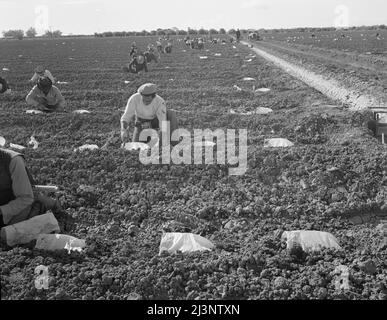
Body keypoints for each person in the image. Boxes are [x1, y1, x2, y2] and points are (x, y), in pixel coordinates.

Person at [0, 147, 62, 228]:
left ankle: (42, 204)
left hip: (19, 202)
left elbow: (26, 198)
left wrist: (1, 210)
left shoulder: (13, 161)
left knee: (7, 232)